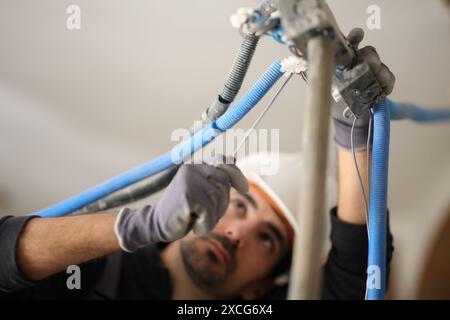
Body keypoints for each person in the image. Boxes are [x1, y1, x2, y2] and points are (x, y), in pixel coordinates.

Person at [0, 28, 395, 300]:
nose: (238, 232)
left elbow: (354, 279)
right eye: (240, 205)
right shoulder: (93, 269)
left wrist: (353, 130)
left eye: (267, 238)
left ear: (260, 288)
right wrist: (140, 225)